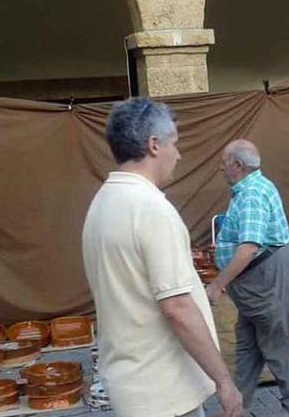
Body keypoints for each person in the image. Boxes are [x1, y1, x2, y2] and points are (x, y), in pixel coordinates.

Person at [82, 98, 242, 417]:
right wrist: (224, 382)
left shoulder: (103, 201)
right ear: (154, 145)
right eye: (175, 144)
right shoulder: (151, 209)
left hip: (132, 385)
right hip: (162, 391)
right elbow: (177, 308)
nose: (178, 154)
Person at [206, 139, 289, 416]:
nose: (220, 167)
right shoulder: (254, 188)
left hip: (263, 277)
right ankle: (236, 406)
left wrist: (216, 285)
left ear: (238, 165)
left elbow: (249, 247)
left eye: (223, 162)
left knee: (277, 344)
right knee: (249, 343)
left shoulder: (251, 194)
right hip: (262, 277)